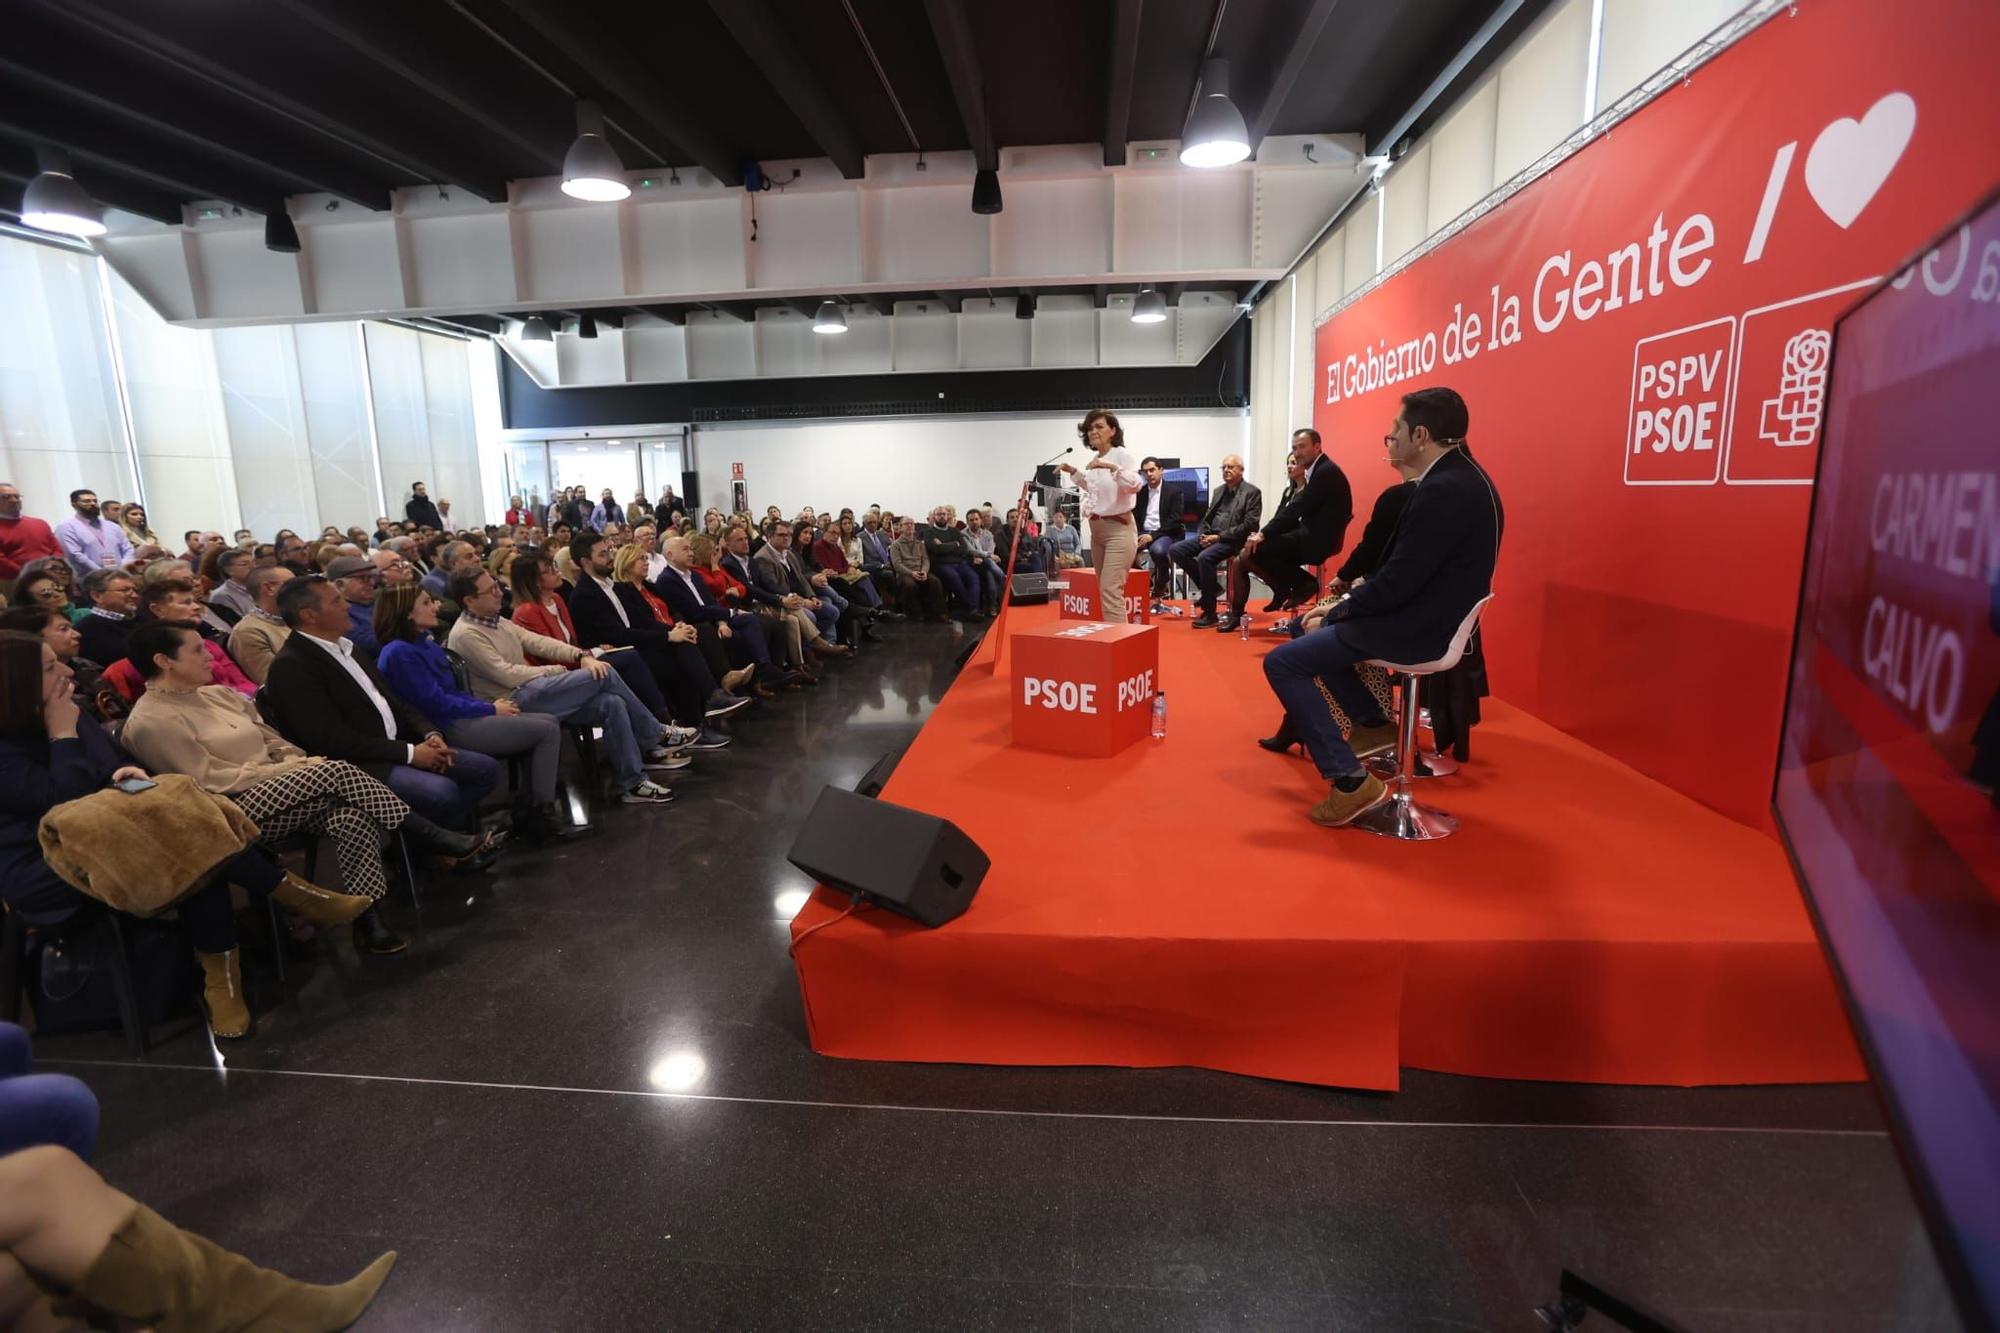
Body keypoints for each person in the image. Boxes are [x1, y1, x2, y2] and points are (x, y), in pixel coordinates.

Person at [6, 630, 374, 1031]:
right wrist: (62, 736)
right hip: (47, 864)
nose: (63, 668)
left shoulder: (63, 711)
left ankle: (226, 983)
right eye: (48, 666)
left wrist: (122, 775)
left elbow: (108, 771)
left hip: (122, 833)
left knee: (194, 849)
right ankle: (287, 899)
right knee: (196, 854)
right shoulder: (45, 727)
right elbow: (64, 807)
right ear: (13, 681)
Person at [1261, 388, 1503, 827]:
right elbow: (1402, 575)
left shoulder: (1445, 489)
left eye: (1395, 431)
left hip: (1420, 628)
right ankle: (1372, 724)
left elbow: (1399, 582)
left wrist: (1338, 609)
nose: (1389, 439)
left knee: (1283, 663)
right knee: (1306, 630)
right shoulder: (1460, 478)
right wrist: (1343, 605)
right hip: (1424, 615)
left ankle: (1350, 782)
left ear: (1421, 434)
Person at [262, 576, 505, 842]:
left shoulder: (348, 648)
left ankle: (429, 845)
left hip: (397, 745)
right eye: (336, 600)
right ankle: (435, 848)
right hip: (357, 766)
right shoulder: (292, 667)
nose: (347, 606)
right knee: (442, 792)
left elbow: (395, 702)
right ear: (309, 615)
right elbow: (330, 741)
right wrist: (410, 754)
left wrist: (429, 733)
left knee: (485, 770)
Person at [374, 583, 595, 838]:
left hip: (458, 714)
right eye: (426, 603)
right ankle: (537, 813)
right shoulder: (400, 652)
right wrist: (489, 708)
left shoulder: (423, 642)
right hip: (445, 726)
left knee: (546, 722)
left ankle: (531, 807)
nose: (436, 606)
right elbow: (435, 703)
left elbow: (450, 695)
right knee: (545, 729)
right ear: (407, 614)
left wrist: (485, 708)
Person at [449, 571, 688, 804]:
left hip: (533, 689)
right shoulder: (466, 635)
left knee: (611, 703)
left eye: (496, 585)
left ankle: (633, 783)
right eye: (490, 590)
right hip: (511, 702)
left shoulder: (496, 620)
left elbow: (538, 642)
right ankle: (655, 733)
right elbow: (507, 675)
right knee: (605, 673)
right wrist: (560, 669)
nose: (499, 592)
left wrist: (580, 655)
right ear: (469, 600)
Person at [567, 531, 748, 739]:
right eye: (602, 554)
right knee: (680, 652)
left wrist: (675, 630)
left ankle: (703, 715)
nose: (610, 557)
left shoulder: (611, 586)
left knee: (687, 644)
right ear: (585, 561)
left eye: (609, 551)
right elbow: (618, 634)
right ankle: (701, 713)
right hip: (614, 656)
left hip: (633, 647)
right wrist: (669, 636)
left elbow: (642, 622)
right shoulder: (585, 595)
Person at [508, 550, 681, 714]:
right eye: (549, 570)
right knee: (629, 658)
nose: (556, 571)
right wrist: (591, 653)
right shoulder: (527, 611)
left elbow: (571, 641)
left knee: (627, 671)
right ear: (535, 581)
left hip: (577, 659)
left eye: (554, 566)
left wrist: (594, 650)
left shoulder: (557, 599)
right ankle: (661, 721)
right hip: (557, 674)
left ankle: (661, 724)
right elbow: (551, 653)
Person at [615, 543, 760, 698]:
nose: (646, 562)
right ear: (627, 564)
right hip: (656, 637)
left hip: (672, 629)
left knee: (703, 630)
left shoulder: (649, 586)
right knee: (692, 638)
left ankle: (730, 682)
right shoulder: (622, 591)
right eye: (640, 559)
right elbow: (641, 621)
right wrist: (672, 630)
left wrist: (680, 623)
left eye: (646, 558)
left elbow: (673, 610)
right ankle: (715, 696)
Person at [654, 534, 798, 689]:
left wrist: (722, 622)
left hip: (714, 616)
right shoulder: (667, 580)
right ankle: (760, 675)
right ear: (670, 555)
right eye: (685, 549)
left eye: (691, 549)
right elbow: (694, 612)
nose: (691, 553)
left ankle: (766, 669)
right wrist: (730, 614)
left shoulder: (693, 575)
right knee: (747, 624)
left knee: (755, 621)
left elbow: (710, 602)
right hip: (698, 623)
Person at [1245, 427, 1353, 613]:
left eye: (1302, 447)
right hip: (1311, 533)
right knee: (1258, 548)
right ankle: (1285, 589)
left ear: (1317, 446)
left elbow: (1296, 509)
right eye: (1294, 448)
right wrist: (1264, 533)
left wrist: (1263, 534)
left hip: (1319, 540)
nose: (1297, 452)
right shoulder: (1318, 470)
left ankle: (1305, 584)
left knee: (1260, 549)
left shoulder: (1325, 471)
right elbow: (1292, 512)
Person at [101, 580, 257, 703]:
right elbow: (180, 699)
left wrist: (250, 699)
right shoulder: (148, 653)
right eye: (186, 603)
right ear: (157, 610)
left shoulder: (209, 644)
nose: (196, 607)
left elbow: (242, 682)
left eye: (195, 601)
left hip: (239, 705)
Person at [1059, 410, 1143, 623]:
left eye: (1099, 426)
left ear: (1112, 430)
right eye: (1090, 428)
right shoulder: (1096, 459)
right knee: (1104, 589)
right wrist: (1075, 473)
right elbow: (1096, 491)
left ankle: (1121, 648)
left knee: (1110, 590)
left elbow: (1135, 484)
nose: (1093, 431)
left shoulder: (1120, 455)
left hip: (1118, 530)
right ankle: (1114, 639)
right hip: (1097, 533)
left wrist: (1111, 467)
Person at [694, 531, 813, 680]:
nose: (718, 553)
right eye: (714, 550)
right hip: (731, 610)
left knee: (789, 618)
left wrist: (737, 589)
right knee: (781, 619)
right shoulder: (713, 568)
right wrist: (715, 567)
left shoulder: (746, 561)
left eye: (746, 539)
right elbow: (719, 587)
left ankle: (785, 667)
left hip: (742, 606)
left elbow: (742, 587)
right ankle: (773, 669)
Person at [1174, 455, 1263, 627]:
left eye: (1231, 467)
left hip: (1234, 541)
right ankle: (1212, 588)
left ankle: (1210, 613)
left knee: (1205, 558)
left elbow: (1250, 525)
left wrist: (1219, 537)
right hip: (1212, 537)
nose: (1227, 470)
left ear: (1241, 470)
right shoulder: (1219, 491)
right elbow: (1207, 518)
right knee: (1176, 550)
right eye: (1224, 467)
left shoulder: (1252, 492)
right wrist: (1204, 535)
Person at [755, 521, 852, 644]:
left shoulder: (787, 553)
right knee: (811, 615)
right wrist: (803, 601)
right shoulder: (763, 557)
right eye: (781, 535)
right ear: (770, 536)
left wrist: (812, 596)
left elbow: (800, 578)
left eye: (789, 535)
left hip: (801, 596)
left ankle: (816, 644)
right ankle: (813, 647)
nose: (786, 538)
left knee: (832, 612)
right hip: (783, 601)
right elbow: (774, 587)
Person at [1133, 457, 1193, 602]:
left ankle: (1161, 583)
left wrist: (1152, 536)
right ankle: (1147, 582)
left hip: (1166, 532)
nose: (1149, 474)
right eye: (1145, 471)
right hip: (1143, 531)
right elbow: (1134, 518)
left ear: (1161, 471)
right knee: (1125, 549)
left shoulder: (1174, 492)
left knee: (1158, 551)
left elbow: (1175, 521)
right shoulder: (1139, 493)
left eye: (1152, 470)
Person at [226, 564, 294, 684]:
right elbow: (274, 680)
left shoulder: (298, 616)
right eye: (292, 584)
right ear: (269, 588)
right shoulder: (247, 632)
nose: (302, 589)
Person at [55, 489, 134, 584]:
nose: (93, 504)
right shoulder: (66, 527)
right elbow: (74, 555)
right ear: (74, 505)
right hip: (89, 580)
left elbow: (128, 549)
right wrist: (102, 573)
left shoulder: (112, 526)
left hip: (119, 576)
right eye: (86, 501)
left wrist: (122, 569)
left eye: (95, 501)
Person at [918, 508, 982, 619]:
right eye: (939, 514)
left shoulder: (955, 531)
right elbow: (934, 549)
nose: (942, 516)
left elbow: (963, 549)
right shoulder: (928, 533)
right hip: (941, 565)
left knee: (974, 577)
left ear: (948, 516)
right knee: (954, 577)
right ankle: (970, 609)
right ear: (934, 517)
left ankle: (972, 609)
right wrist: (954, 544)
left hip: (959, 563)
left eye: (944, 514)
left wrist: (943, 546)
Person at [75, 568, 140, 666]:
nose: (134, 595)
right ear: (97, 596)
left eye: (135, 590)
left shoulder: (145, 619)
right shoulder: (85, 630)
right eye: (125, 590)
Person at [0, 483, 63, 583]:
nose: (14, 500)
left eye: (17, 496)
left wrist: (53, 567)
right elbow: (2, 562)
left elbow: (57, 549)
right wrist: (30, 575)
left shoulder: (40, 523)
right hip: (17, 582)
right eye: (6, 497)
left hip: (51, 576)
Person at [888, 515, 947, 620]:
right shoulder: (895, 545)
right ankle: (915, 614)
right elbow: (897, 564)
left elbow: (925, 560)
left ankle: (937, 613)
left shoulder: (920, 543)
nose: (910, 526)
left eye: (912, 524)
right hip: (905, 573)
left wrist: (924, 571)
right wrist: (911, 573)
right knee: (910, 585)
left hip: (920, 571)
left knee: (935, 581)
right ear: (900, 527)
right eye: (906, 524)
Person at [9, 560, 82, 624]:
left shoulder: (86, 613)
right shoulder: (37, 629)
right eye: (46, 593)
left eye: (57, 587)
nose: (57, 594)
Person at [203, 544, 257, 622]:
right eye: (244, 564)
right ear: (228, 570)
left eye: (254, 563)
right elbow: (237, 623)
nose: (252, 567)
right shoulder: (222, 595)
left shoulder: (259, 586)